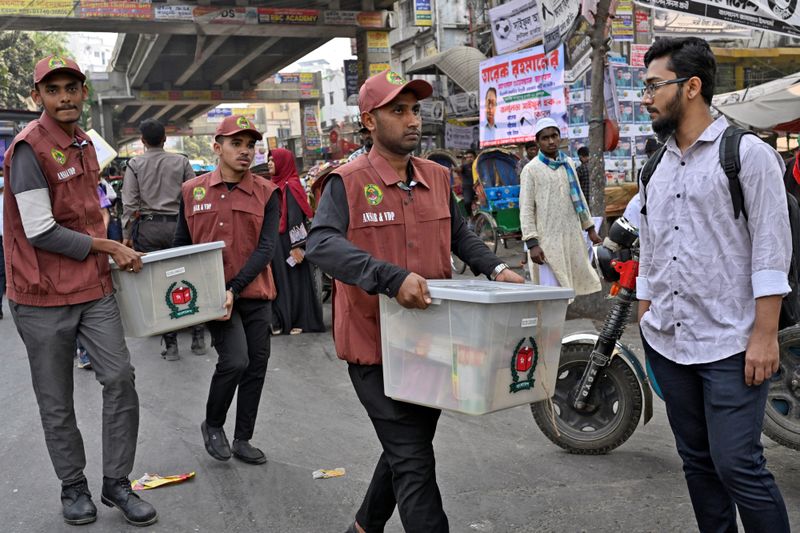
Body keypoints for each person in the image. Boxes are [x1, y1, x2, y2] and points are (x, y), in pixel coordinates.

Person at [306, 70, 524, 533]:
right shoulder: (346, 182)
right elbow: (321, 244)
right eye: (398, 110)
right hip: (374, 348)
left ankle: (363, 526)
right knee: (414, 459)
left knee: (407, 448)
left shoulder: (438, 177)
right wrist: (390, 278)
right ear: (369, 120)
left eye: (415, 110)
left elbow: (460, 235)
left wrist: (497, 270)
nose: (412, 120)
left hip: (432, 342)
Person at [637, 37, 791, 532]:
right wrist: (645, 315)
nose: (645, 97)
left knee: (738, 465)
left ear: (692, 87)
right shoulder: (654, 166)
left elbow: (771, 251)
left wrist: (765, 336)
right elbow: (651, 248)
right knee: (697, 464)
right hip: (670, 342)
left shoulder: (747, 155)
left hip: (732, 342)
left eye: (654, 86)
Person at [3, 55, 156, 527]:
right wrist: (109, 246)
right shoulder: (28, 149)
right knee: (57, 399)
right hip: (40, 292)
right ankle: (73, 486)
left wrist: (107, 241)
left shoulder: (86, 143)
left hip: (92, 286)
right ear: (37, 97)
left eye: (71, 88)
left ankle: (117, 482)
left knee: (120, 377)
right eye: (53, 90)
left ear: (84, 93)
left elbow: (90, 208)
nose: (64, 97)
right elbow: (39, 230)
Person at [173, 115, 280, 466]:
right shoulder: (192, 191)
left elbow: (266, 248)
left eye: (250, 145)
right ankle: (214, 423)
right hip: (212, 297)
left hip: (255, 292)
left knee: (256, 365)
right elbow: (181, 244)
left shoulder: (267, 192)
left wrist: (234, 287)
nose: (245, 151)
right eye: (236, 143)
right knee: (235, 360)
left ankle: (243, 438)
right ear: (217, 147)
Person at [122, 118, 204, 360]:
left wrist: (126, 236)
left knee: (159, 284)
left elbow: (129, 205)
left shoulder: (134, 164)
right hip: (180, 227)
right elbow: (194, 196)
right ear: (165, 138)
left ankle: (171, 345)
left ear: (143, 141)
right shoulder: (182, 161)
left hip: (149, 230)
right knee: (190, 277)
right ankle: (198, 337)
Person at [519, 117, 602, 293]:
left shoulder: (568, 163)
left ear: (560, 137)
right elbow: (526, 209)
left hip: (570, 237)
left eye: (554, 136)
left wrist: (590, 229)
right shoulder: (531, 170)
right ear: (538, 142)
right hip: (546, 243)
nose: (551, 141)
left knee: (570, 290)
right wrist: (532, 244)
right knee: (551, 295)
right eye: (545, 138)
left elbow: (579, 197)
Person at [268, 147, 324, 336]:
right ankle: (287, 320)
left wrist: (297, 246)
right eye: (269, 160)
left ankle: (301, 321)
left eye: (273, 160)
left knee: (295, 281)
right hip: (279, 241)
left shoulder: (290, 185)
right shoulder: (276, 184)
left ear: (283, 163)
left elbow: (295, 216)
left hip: (289, 243)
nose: (269, 163)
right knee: (284, 281)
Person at [460, 149, 476, 217]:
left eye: (471, 157)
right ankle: (470, 216)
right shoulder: (464, 166)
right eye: (467, 157)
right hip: (468, 188)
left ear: (475, 157)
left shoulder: (478, 165)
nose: (469, 159)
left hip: (479, 186)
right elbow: (459, 169)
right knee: (467, 202)